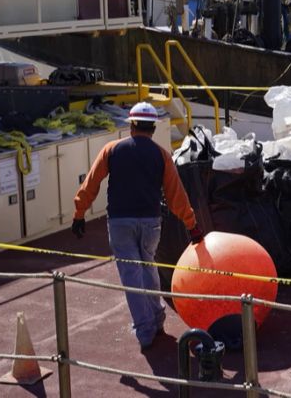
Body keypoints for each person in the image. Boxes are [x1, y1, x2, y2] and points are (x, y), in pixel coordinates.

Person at [71, 102, 204, 350]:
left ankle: (145, 331)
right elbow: (177, 195)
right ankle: (157, 318)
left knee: (132, 277)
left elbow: (91, 183)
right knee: (149, 267)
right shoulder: (162, 155)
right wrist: (192, 225)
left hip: (120, 223)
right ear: (152, 127)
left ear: (131, 125)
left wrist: (79, 213)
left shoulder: (111, 150)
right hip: (151, 222)